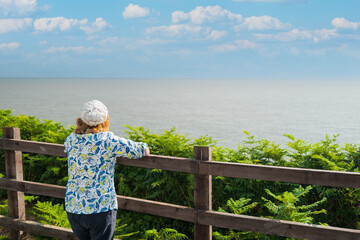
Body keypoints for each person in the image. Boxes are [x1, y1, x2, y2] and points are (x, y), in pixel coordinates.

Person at [64, 100, 149, 240]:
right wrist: (145, 147)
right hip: (100, 208)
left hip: (74, 207)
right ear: (105, 120)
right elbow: (141, 150)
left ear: (81, 119)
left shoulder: (71, 140)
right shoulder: (108, 141)